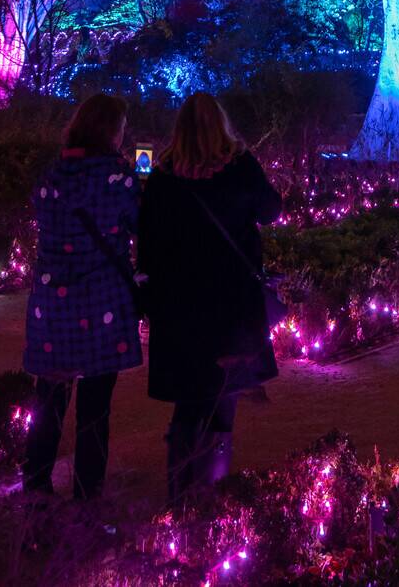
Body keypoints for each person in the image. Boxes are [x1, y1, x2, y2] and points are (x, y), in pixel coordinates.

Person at [137, 92, 281, 504]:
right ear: (222, 125)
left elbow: (146, 243)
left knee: (188, 400)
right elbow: (271, 210)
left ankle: (179, 493)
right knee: (224, 397)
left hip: (179, 305)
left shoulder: (163, 175)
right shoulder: (238, 166)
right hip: (231, 304)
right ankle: (212, 493)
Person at [22, 92, 142, 501]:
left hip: (53, 302)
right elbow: (140, 224)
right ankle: (87, 498)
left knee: (49, 398)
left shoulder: (52, 176)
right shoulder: (118, 179)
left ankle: (36, 487)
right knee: (95, 407)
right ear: (110, 131)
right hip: (101, 298)